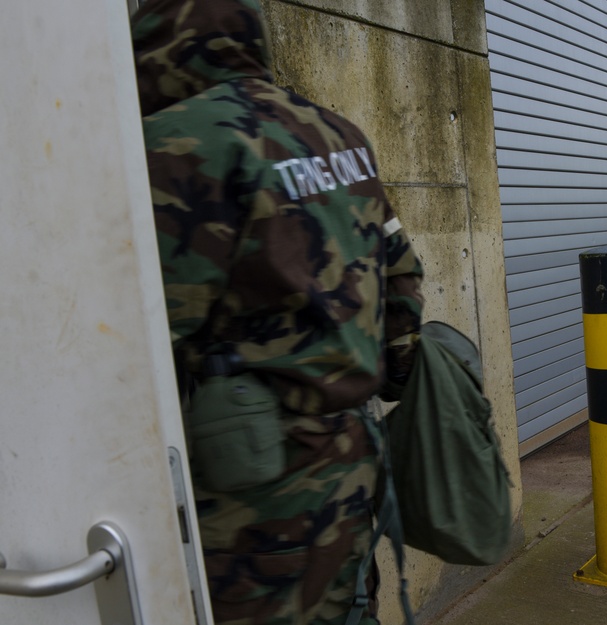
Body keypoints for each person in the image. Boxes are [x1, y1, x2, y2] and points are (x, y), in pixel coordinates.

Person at [132, 1, 424, 623]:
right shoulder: (340, 134)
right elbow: (400, 270)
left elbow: (139, 337)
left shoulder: (177, 141)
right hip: (352, 451)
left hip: (256, 489)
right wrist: (391, 375)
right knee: (352, 603)